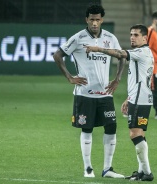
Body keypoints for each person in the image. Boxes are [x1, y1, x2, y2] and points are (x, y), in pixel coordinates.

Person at [53, 3, 125, 179]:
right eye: (91, 19)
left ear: (102, 20)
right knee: (87, 129)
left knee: (111, 127)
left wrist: (117, 79)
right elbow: (58, 55)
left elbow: (122, 56)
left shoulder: (110, 37)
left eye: (97, 20)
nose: (94, 23)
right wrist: (70, 77)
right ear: (87, 19)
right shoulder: (78, 38)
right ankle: (88, 169)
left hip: (105, 93)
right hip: (84, 93)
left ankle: (107, 169)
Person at [85, 24, 155, 181]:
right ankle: (142, 171)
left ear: (145, 38)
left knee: (134, 134)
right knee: (140, 134)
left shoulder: (140, 52)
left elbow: (120, 54)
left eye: (136, 35)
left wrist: (98, 49)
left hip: (140, 99)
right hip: (140, 97)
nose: (132, 37)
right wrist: (128, 98)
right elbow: (140, 80)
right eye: (131, 34)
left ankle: (147, 172)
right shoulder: (145, 52)